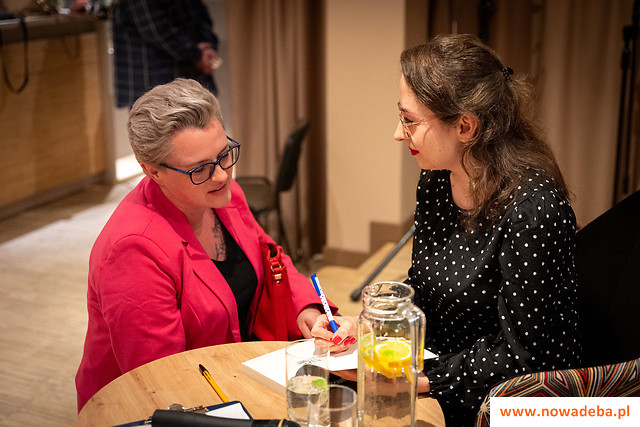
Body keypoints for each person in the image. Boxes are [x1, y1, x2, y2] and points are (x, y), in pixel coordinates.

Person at [312, 34, 581, 426]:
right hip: (442, 368)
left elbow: (524, 356)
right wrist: (373, 329)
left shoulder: (533, 210)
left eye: (409, 120)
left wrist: (413, 381)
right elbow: (427, 288)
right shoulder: (438, 178)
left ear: (466, 127)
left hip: (509, 401)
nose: (398, 133)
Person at [75, 78, 331, 410]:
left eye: (224, 154)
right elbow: (161, 379)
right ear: (152, 171)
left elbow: (271, 257)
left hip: (227, 377)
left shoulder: (223, 195)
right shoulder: (133, 250)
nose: (222, 175)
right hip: (155, 405)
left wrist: (306, 308)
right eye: (200, 169)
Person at [111, 0, 221, 108]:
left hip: (191, 72)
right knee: (157, 114)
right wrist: (197, 54)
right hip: (153, 76)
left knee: (203, 113)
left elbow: (200, 13)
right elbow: (154, 28)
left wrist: (207, 48)